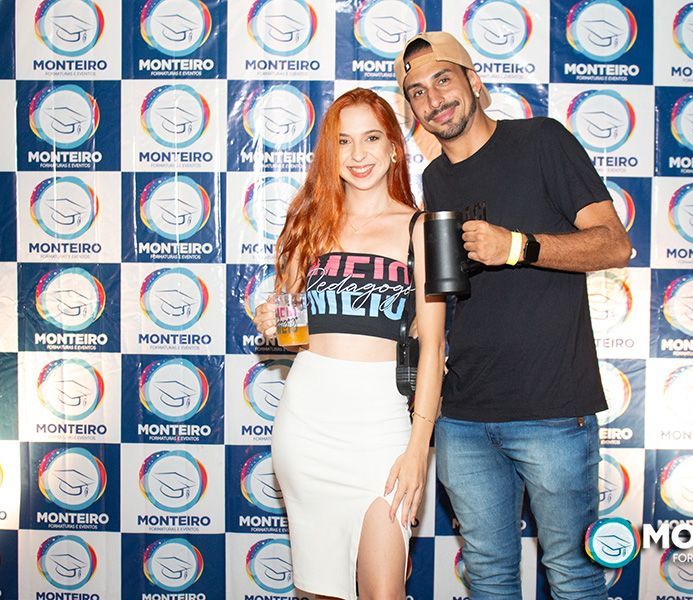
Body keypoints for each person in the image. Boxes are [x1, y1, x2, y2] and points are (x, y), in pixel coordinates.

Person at [394, 33, 632, 599]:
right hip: (462, 416)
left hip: (551, 410)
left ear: (475, 82)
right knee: (488, 575)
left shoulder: (542, 140)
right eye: (417, 91)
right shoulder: (435, 180)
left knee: (573, 573)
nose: (434, 99)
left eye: (443, 80)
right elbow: (446, 296)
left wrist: (518, 246)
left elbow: (614, 244)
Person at [251, 87, 445, 600]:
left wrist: (417, 450)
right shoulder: (309, 225)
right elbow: (294, 327)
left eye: (371, 138)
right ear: (329, 153)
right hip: (309, 424)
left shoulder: (422, 229)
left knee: (384, 592)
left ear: (395, 148)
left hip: (383, 427)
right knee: (322, 592)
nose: (358, 154)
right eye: (344, 141)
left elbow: (433, 348)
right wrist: (271, 321)